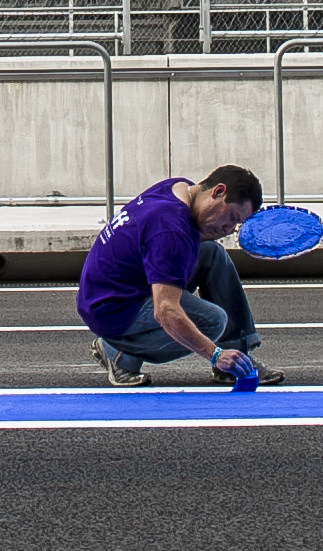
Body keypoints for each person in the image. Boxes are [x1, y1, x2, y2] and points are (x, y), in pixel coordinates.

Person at [78, 165, 270, 387]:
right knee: (213, 321)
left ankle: (235, 355)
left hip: (110, 285)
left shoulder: (179, 188)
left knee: (212, 254)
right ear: (218, 191)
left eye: (237, 225)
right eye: (232, 217)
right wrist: (214, 353)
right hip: (111, 306)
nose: (229, 228)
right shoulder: (170, 228)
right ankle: (119, 353)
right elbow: (165, 310)